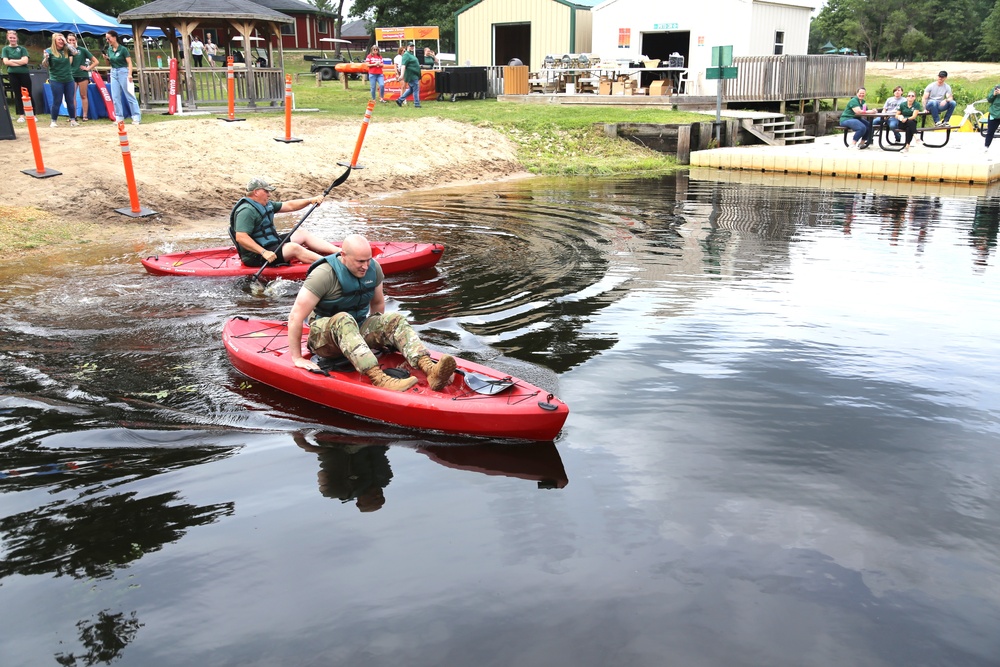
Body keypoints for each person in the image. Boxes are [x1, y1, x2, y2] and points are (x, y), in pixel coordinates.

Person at [286, 234, 457, 393]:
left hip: (356, 331)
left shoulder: (373, 269)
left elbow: (377, 304)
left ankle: (430, 369)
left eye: (368, 260)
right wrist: (297, 358)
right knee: (344, 319)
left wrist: (379, 336)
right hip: (325, 340)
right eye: (360, 261)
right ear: (343, 255)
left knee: (394, 319)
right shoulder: (323, 274)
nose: (365, 266)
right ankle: (379, 378)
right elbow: (296, 316)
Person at [230, 176, 338, 267]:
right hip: (256, 255)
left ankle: (340, 252)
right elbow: (241, 237)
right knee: (293, 247)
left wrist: (310, 201)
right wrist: (264, 252)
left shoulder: (266, 204)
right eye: (266, 191)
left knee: (302, 234)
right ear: (256, 192)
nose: (269, 194)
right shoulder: (246, 211)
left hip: (270, 244)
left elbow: (289, 205)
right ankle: (332, 265)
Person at [104, 30, 142, 125]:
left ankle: (136, 116)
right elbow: (109, 64)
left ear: (114, 37)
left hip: (123, 71)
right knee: (116, 96)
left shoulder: (123, 49)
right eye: (106, 39)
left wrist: (129, 74)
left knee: (129, 94)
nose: (108, 40)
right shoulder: (109, 50)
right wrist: (106, 59)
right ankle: (119, 117)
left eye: (109, 38)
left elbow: (129, 63)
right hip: (113, 71)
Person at [41, 33, 77, 128]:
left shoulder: (66, 50)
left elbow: (75, 52)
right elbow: (45, 65)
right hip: (56, 79)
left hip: (68, 79)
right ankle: (53, 121)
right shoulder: (49, 51)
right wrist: (46, 58)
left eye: (62, 39)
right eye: (59, 40)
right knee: (57, 100)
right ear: (54, 41)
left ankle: (73, 120)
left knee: (70, 100)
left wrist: (67, 43)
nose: (61, 41)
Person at [66, 34, 99, 122]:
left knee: (83, 95)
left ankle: (85, 115)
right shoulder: (66, 51)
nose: (71, 42)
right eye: (69, 40)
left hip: (82, 75)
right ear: (67, 40)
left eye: (73, 40)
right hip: (71, 75)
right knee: (71, 96)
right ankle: (73, 116)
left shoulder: (82, 50)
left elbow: (96, 61)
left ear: (76, 40)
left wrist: (88, 68)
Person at [3, 30, 31, 124]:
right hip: (12, 74)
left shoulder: (22, 49)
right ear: (8, 38)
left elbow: (25, 61)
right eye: (10, 38)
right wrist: (19, 61)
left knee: (28, 93)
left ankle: (31, 114)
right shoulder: (5, 49)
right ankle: (21, 115)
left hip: (24, 73)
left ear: (17, 38)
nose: (12, 39)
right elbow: (6, 62)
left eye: (14, 38)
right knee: (17, 94)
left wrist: (12, 61)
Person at [395, 44, 422, 108]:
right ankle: (417, 104)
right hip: (411, 75)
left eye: (413, 46)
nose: (412, 47)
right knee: (416, 89)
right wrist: (401, 75)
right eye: (410, 46)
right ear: (407, 47)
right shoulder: (406, 55)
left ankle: (400, 100)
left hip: (414, 74)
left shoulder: (410, 54)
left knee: (411, 89)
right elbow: (403, 65)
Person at [984, 84, 1000, 154]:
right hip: (994, 113)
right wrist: (994, 94)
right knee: (990, 131)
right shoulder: (996, 88)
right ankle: (986, 146)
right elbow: (989, 100)